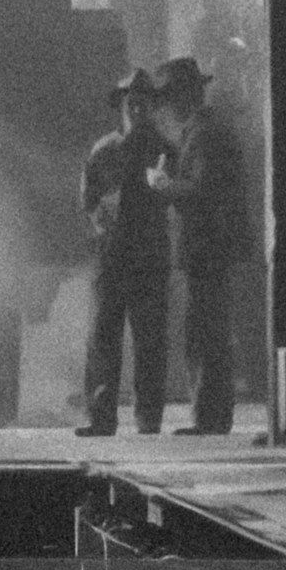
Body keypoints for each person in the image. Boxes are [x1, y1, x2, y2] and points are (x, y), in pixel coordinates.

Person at [144, 57, 243, 436]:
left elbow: (202, 191)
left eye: (166, 99)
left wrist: (164, 186)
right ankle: (211, 416)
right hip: (211, 244)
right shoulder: (204, 130)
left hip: (208, 245)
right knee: (207, 330)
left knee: (205, 333)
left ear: (182, 97)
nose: (163, 108)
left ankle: (210, 418)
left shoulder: (204, 134)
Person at [77, 71, 167, 437]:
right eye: (132, 102)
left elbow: (177, 193)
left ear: (152, 107)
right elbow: (88, 199)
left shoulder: (164, 149)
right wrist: (99, 215)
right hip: (113, 257)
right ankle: (101, 417)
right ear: (123, 108)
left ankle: (148, 419)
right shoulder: (104, 150)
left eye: (144, 102)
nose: (138, 108)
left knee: (150, 339)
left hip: (149, 256)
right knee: (104, 336)